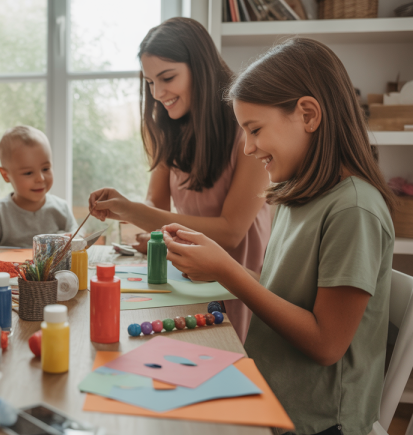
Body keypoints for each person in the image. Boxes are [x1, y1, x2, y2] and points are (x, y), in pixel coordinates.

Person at [163, 38, 395, 435]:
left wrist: (227, 271)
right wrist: (221, 267)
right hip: (269, 397)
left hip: (316, 424)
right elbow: (281, 294)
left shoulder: (354, 209)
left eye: (254, 130)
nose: (249, 148)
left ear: (308, 114)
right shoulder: (297, 196)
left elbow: (326, 344)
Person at [88, 17, 270, 342]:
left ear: (200, 68)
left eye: (167, 77)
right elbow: (154, 204)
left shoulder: (247, 127)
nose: (157, 93)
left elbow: (230, 232)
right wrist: (140, 223)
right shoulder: (168, 126)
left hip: (238, 280)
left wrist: (134, 212)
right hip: (188, 277)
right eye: (149, 82)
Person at [0, 125, 76, 248]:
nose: (40, 178)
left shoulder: (61, 209)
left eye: (46, 169)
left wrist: (71, 239)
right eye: (28, 173)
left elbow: (78, 239)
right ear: (6, 175)